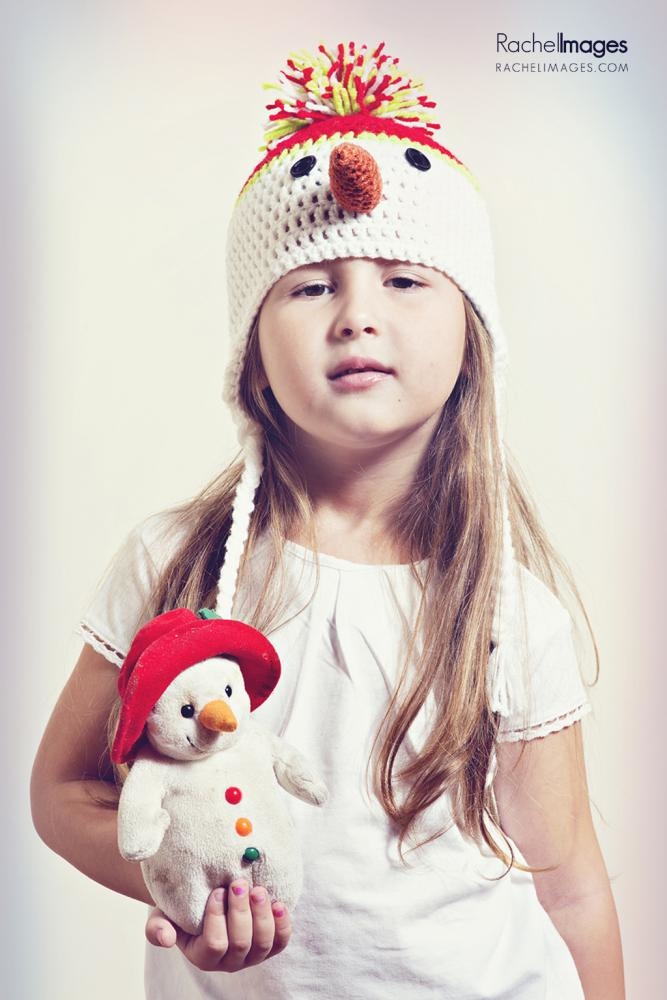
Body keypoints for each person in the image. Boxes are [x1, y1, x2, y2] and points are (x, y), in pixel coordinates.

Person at [31, 41, 624, 999]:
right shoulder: (174, 563)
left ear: (470, 340)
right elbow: (63, 792)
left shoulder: (508, 613)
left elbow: (570, 888)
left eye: (404, 279)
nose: (355, 315)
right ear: (251, 356)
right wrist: (175, 880)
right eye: (310, 286)